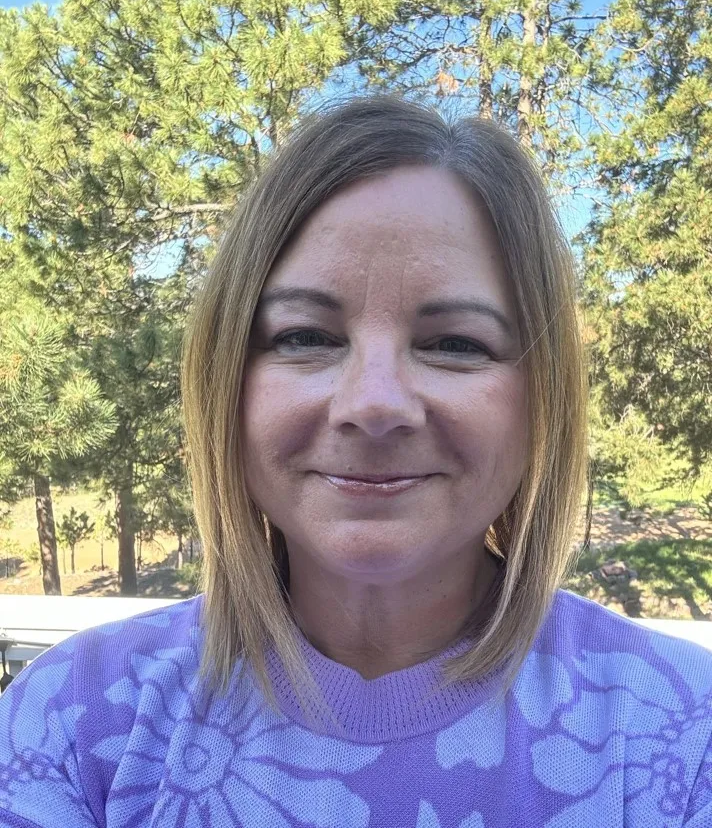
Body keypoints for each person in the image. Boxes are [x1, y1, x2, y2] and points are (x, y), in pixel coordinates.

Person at [0, 95, 710, 828]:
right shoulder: (69, 725)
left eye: (455, 343)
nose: (373, 402)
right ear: (227, 383)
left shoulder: (684, 737)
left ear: (542, 400)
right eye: (305, 336)